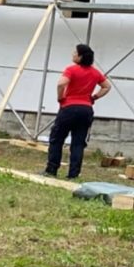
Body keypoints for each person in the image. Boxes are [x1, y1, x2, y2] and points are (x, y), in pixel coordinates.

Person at [43, 44, 112, 179]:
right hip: (86, 109)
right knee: (78, 142)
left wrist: (60, 97)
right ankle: (73, 173)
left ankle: (52, 169)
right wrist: (94, 97)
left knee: (57, 138)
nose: (73, 54)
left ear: (80, 57)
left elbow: (61, 83)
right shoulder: (95, 72)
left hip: (69, 107)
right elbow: (107, 86)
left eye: (75, 52)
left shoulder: (71, 69)